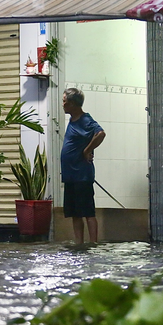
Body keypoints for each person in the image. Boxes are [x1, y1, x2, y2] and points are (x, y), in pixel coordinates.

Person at [60, 88, 106, 243]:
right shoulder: (72, 120)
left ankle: (93, 243)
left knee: (88, 212)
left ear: (72, 103)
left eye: (64, 101)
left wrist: (87, 150)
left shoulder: (85, 120)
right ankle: (78, 243)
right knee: (75, 213)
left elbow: (100, 133)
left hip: (82, 175)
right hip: (71, 175)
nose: (63, 104)